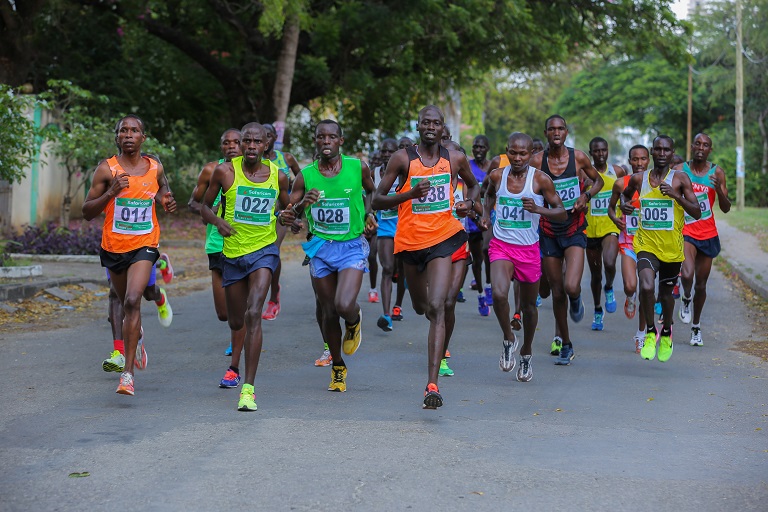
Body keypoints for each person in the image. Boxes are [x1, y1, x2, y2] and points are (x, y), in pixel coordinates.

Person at [372, 105, 482, 409]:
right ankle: (421, 312)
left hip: (444, 237)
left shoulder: (455, 158)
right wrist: (408, 194)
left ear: (443, 127)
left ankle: (432, 385)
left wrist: (468, 204)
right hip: (409, 243)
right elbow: (377, 200)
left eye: (436, 123)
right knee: (421, 307)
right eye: (426, 122)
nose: (431, 127)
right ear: (419, 126)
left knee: (438, 306)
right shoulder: (403, 158)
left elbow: (473, 186)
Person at [83, 115, 177, 396]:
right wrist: (111, 192)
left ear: (142, 138)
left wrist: (166, 200)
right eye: (123, 130)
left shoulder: (155, 168)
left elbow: (162, 188)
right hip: (113, 248)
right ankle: (136, 337)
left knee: (134, 300)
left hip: (145, 244)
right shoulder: (106, 170)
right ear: (117, 137)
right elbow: (87, 211)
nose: (128, 134)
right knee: (124, 302)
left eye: (134, 130)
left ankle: (127, 375)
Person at [200, 122, 291, 411]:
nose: (251, 146)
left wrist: (294, 219)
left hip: (263, 253)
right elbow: (202, 206)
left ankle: (248, 388)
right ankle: (240, 364)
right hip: (233, 255)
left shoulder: (278, 175)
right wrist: (217, 221)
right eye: (246, 141)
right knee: (235, 320)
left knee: (254, 314)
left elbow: (286, 210)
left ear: (267, 145)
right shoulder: (225, 172)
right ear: (241, 145)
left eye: (256, 142)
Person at [288, 119, 377, 394]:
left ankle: (354, 320)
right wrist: (304, 204)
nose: (326, 141)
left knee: (343, 303)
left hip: (351, 245)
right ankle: (338, 365)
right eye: (320, 137)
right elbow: (291, 215)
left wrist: (370, 213)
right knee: (327, 311)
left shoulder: (356, 167)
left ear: (340, 141)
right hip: (321, 249)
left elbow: (372, 191)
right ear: (316, 141)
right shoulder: (305, 176)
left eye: (331, 137)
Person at [484, 132, 567, 382]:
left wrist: (538, 209)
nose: (517, 158)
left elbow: (562, 213)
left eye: (522, 154)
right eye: (512, 152)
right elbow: (488, 195)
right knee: (499, 294)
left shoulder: (540, 180)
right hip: (501, 245)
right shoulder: (498, 175)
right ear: (506, 151)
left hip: (528, 250)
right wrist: (487, 215)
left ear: (531, 154)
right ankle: (509, 337)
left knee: (530, 307)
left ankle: (527, 351)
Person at [529, 115, 604, 365]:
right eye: (552, 129)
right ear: (546, 133)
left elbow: (599, 180)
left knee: (571, 286)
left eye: (560, 128)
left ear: (567, 132)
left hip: (573, 229)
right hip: (548, 231)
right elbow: (524, 185)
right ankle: (566, 344)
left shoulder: (578, 157)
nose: (556, 132)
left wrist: (586, 196)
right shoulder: (537, 161)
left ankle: (577, 298)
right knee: (556, 291)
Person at [620, 135, 701, 362]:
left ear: (672, 152)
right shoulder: (638, 179)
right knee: (646, 286)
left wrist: (676, 195)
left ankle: (666, 332)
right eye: (658, 149)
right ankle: (650, 332)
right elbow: (624, 198)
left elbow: (696, 211)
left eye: (666, 150)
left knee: (665, 295)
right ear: (652, 152)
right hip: (646, 244)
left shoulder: (681, 179)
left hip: (672, 248)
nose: (662, 153)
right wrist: (624, 206)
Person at [188, 128, 248, 387]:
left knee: (240, 312)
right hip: (216, 244)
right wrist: (210, 212)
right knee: (224, 314)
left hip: (245, 246)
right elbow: (194, 203)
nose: (232, 146)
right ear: (221, 146)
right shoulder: (212, 171)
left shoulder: (256, 174)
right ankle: (239, 329)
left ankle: (235, 364)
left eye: (237, 142)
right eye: (227, 143)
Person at [673, 133, 731, 346]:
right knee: (687, 274)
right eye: (697, 143)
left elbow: (725, 208)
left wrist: (719, 191)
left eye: (705, 145)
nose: (701, 147)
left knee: (702, 284)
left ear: (710, 150)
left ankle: (695, 327)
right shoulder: (680, 170)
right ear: (691, 146)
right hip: (686, 230)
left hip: (707, 233)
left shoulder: (717, 173)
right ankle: (685, 297)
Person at [608, 144, 650, 353]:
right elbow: (610, 208)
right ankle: (629, 298)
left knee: (646, 288)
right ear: (630, 161)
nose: (639, 163)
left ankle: (641, 334)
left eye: (643, 159)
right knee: (630, 286)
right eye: (635, 159)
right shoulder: (620, 183)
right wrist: (616, 219)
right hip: (628, 242)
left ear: (649, 160)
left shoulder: (656, 184)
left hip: (651, 245)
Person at [261, 123, 302, 321]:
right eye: (263, 136)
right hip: (260, 215)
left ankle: (273, 297)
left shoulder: (286, 158)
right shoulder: (252, 160)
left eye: (270, 136)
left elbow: (302, 180)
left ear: (274, 137)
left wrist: (293, 197)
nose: (266, 140)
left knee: (273, 249)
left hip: (281, 213)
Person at [585, 137, 625, 331]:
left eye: (604, 150)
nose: (601, 154)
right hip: (590, 229)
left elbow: (626, 195)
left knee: (609, 263)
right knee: (595, 275)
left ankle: (609, 287)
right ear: (591, 153)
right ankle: (597, 310)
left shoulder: (617, 172)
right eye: (596, 151)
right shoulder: (584, 174)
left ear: (607, 151)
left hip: (611, 226)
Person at [372, 138, 403, 332]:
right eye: (383, 151)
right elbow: (371, 197)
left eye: (390, 151)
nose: (386, 154)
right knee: (387, 268)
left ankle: (397, 305)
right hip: (384, 226)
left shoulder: (403, 172)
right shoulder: (375, 173)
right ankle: (386, 314)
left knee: (401, 272)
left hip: (403, 227)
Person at [465, 135, 492, 300]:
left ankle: (489, 285)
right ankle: (481, 293)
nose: (478, 150)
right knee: (477, 259)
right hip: (472, 217)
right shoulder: (468, 167)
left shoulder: (492, 167)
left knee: (487, 251)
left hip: (488, 215)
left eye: (482, 147)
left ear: (487, 149)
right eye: (475, 147)